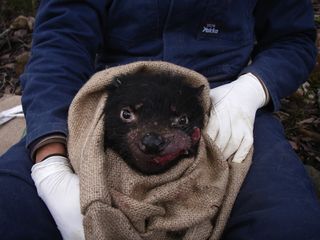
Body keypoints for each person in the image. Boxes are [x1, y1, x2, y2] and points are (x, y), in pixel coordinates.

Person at [1, 0, 319, 239]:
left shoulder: (236, 99)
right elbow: (59, 44)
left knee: (290, 223)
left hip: (224, 102)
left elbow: (293, 38)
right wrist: (49, 164)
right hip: (111, 95)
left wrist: (254, 88)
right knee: (9, 209)